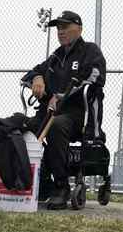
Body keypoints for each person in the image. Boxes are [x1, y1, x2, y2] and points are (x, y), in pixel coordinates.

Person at [23, 11, 106, 210]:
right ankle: (37, 182)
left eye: (65, 27)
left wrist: (62, 95)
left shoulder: (90, 51)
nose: (60, 32)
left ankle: (61, 187)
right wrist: (37, 78)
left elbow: (96, 77)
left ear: (79, 28)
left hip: (78, 115)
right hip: (49, 113)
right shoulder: (55, 57)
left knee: (57, 125)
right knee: (17, 125)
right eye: (58, 28)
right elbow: (30, 74)